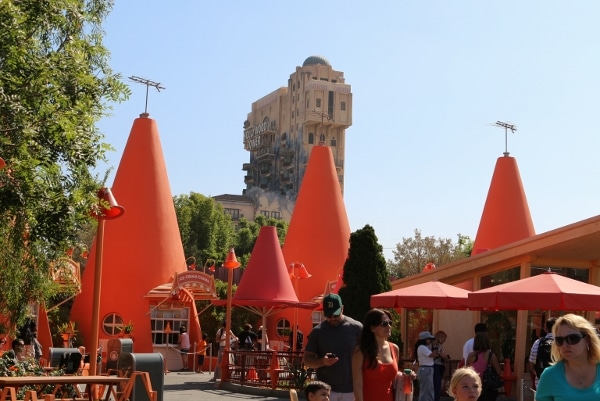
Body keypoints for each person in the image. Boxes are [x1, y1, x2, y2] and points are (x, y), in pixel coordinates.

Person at [304, 294, 362, 401]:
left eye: (336, 315)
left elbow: (367, 356)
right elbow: (307, 360)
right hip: (326, 392)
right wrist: (322, 361)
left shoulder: (356, 328)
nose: (332, 318)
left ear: (342, 308)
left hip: (351, 390)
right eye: (329, 315)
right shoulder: (317, 331)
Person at [352, 308, 414, 401]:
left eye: (390, 323)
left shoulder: (394, 348)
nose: (389, 326)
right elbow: (357, 384)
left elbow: (392, 378)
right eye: (384, 324)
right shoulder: (361, 351)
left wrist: (405, 376)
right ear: (372, 328)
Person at [536, 313, 600, 401]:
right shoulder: (550, 375)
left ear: (587, 340)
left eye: (572, 338)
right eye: (560, 340)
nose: (565, 345)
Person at [466, 332, 502, 401]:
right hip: (488, 388)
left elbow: (466, 371)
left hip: (473, 388)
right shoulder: (491, 355)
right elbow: (499, 372)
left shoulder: (470, 356)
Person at [414, 331, 444, 401]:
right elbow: (433, 355)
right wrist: (434, 346)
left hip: (428, 369)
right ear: (425, 339)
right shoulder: (422, 347)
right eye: (429, 339)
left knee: (429, 389)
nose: (430, 341)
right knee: (426, 390)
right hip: (425, 369)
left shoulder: (425, 347)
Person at [528, 317, 556, 389]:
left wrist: (538, 374)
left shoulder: (538, 342)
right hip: (558, 385)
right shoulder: (562, 343)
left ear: (545, 328)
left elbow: (531, 365)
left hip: (541, 383)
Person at [433, 330, 451, 401]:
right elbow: (443, 356)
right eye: (444, 338)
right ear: (440, 337)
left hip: (437, 366)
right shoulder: (437, 346)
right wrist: (446, 357)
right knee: (437, 386)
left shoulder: (435, 345)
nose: (445, 340)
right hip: (436, 366)